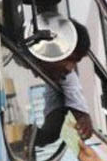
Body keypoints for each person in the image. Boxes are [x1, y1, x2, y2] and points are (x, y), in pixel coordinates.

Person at [28, 20, 94, 148]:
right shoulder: (19, 45)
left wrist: (83, 119)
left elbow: (53, 128)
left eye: (75, 63)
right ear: (53, 46)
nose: (70, 68)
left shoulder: (64, 77)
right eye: (70, 59)